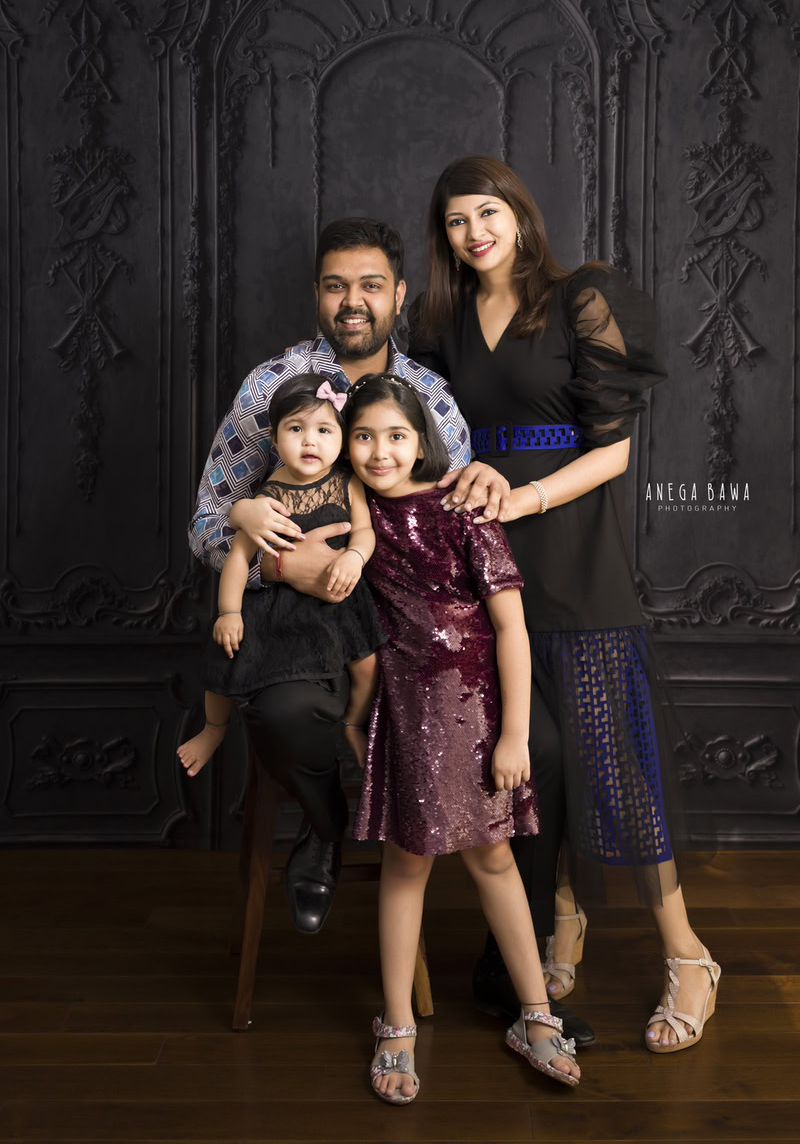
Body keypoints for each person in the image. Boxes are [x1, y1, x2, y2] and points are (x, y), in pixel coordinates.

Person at [408, 156, 721, 1054]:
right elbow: (422, 436)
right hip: (487, 566)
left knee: (616, 763)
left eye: (488, 210)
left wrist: (522, 494)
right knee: (537, 762)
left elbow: (613, 452)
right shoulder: (445, 324)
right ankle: (562, 922)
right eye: (458, 220)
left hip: (574, 553)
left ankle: (688, 955)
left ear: (518, 212)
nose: (476, 230)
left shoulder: (581, 297)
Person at [188, 217, 508, 935]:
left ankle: (518, 952)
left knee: (533, 741)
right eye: (336, 287)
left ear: (399, 294)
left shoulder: (431, 399)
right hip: (302, 633)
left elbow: (461, 528)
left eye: (370, 286)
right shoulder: (268, 388)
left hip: (412, 631)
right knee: (281, 714)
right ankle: (325, 826)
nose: (352, 301)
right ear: (317, 296)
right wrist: (276, 562)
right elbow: (208, 523)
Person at [346, 373, 581, 1103]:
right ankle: (396, 1025)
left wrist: (515, 732)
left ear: (422, 440)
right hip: (406, 711)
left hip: (476, 711)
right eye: (362, 437)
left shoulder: (461, 510)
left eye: (394, 436)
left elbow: (509, 623)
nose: (379, 452)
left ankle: (536, 1013)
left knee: (493, 856)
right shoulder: (357, 519)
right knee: (407, 862)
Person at [179, 374, 385, 779]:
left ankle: (354, 724)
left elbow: (364, 531)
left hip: (341, 599)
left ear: (342, 440)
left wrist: (356, 558)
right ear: (274, 442)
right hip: (280, 605)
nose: (310, 441)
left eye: (324, 430)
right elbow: (239, 556)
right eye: (296, 429)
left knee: (368, 664)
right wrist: (229, 611)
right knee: (225, 661)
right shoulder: (266, 497)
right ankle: (213, 728)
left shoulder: (349, 484)